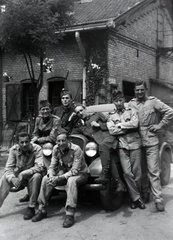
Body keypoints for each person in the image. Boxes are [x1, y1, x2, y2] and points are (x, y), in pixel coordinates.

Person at [128, 80, 173, 211]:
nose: (140, 92)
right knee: (139, 171)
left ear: (146, 90)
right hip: (136, 141)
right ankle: (145, 193)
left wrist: (160, 125)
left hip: (151, 140)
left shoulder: (153, 102)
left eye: (142, 89)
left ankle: (158, 199)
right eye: (137, 90)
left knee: (153, 171)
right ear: (134, 91)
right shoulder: (131, 104)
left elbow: (169, 111)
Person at [32, 131, 89, 228]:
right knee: (46, 178)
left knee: (71, 181)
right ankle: (42, 210)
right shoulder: (55, 148)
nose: (61, 143)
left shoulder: (76, 149)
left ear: (68, 141)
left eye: (63, 140)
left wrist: (59, 178)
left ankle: (70, 214)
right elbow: (52, 165)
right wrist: (51, 175)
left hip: (81, 174)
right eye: (58, 141)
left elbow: (75, 170)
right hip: (65, 172)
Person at [72, 104, 125, 192]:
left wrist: (99, 125)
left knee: (103, 147)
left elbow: (113, 123)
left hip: (109, 138)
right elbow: (73, 132)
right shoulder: (82, 125)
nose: (80, 113)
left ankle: (105, 175)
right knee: (108, 156)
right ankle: (119, 183)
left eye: (81, 110)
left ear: (85, 109)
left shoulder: (97, 114)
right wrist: (72, 119)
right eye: (77, 113)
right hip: (101, 145)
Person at [107, 91, 145, 209]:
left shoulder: (131, 111)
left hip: (135, 144)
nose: (118, 103)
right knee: (127, 173)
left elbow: (135, 124)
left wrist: (120, 125)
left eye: (120, 100)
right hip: (122, 146)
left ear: (124, 100)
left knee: (137, 172)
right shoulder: (111, 115)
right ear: (113, 102)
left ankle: (134, 199)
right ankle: (137, 198)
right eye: (116, 101)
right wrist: (126, 127)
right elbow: (112, 131)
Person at [19, 100, 62, 203]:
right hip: (40, 144)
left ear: (50, 110)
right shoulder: (38, 119)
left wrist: (38, 140)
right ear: (40, 111)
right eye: (43, 109)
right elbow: (35, 132)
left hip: (51, 145)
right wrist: (34, 139)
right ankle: (28, 190)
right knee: (28, 151)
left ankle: (48, 183)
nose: (45, 111)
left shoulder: (56, 120)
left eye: (47, 109)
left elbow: (52, 137)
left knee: (47, 149)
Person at [0, 132, 43, 220]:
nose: (24, 145)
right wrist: (12, 178)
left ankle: (31, 207)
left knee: (36, 176)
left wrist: (24, 173)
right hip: (19, 176)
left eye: (26, 142)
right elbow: (8, 168)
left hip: (31, 176)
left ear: (30, 141)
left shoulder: (37, 149)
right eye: (21, 142)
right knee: (5, 178)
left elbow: (39, 167)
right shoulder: (13, 150)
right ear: (17, 143)